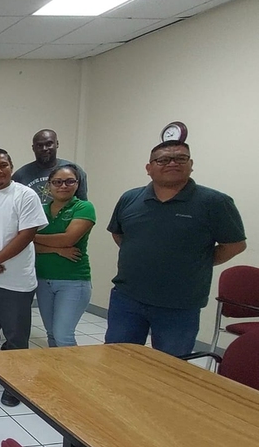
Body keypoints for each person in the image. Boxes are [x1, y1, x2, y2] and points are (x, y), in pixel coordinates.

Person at [106, 140, 246, 355]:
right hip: (128, 298)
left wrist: (197, 260)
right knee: (117, 360)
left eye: (180, 158)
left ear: (191, 164)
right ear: (149, 168)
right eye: (163, 160)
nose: (172, 163)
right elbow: (119, 234)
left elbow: (235, 245)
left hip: (180, 304)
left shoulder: (214, 202)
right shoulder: (130, 198)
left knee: (171, 372)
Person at [0, 149, 48, 406]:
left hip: (15, 281)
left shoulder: (25, 195)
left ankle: (14, 383)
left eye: (3, 165)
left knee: (15, 336)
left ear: (11, 167)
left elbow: (27, 235)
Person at [34, 165, 96, 347]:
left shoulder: (84, 207)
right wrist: (56, 249)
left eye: (69, 181)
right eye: (57, 182)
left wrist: (31, 236)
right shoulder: (40, 209)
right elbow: (26, 245)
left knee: (63, 336)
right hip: (43, 280)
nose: (63, 186)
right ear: (49, 185)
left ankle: (73, 376)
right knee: (52, 334)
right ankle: (56, 374)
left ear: (77, 184)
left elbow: (69, 238)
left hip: (73, 281)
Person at [13, 129, 88, 204]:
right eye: (39, 145)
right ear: (33, 148)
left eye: (49, 144)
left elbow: (83, 204)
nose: (44, 148)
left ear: (57, 144)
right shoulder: (20, 175)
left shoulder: (74, 171)